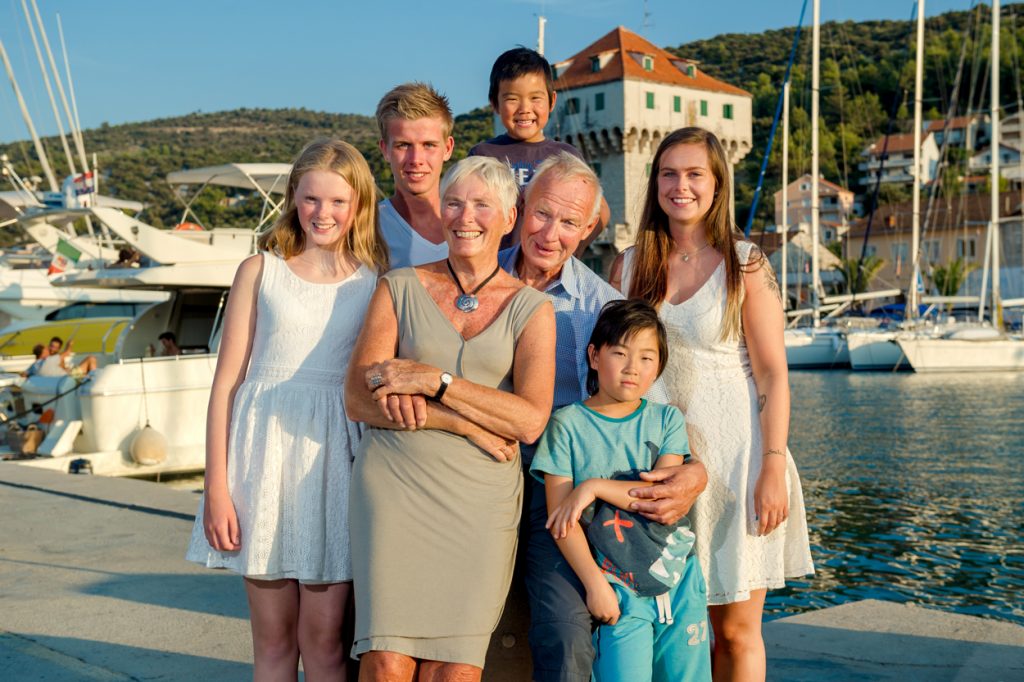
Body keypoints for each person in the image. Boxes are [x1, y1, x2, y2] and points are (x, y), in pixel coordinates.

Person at [611, 127, 814, 682]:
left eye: (695, 173)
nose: (681, 186)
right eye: (669, 173)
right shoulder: (628, 267)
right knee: (673, 626)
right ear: (654, 183)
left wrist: (772, 464)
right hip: (657, 468)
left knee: (734, 631)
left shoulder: (744, 263)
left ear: (718, 182)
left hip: (738, 462)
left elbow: (773, 371)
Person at [345, 155, 556, 681]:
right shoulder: (398, 286)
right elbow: (358, 397)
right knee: (386, 662)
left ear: (510, 216)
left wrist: (434, 381)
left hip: (481, 501)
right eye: (455, 202)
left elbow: (529, 421)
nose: (466, 216)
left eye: (483, 204)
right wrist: (462, 421)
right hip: (394, 489)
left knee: (454, 671)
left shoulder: (532, 309)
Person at [500, 151, 708, 682]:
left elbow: (649, 410)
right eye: (542, 213)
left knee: (567, 636)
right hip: (483, 479)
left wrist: (694, 471)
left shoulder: (602, 308)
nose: (550, 232)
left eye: (569, 222)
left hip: (558, 491)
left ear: (590, 228)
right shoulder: (477, 282)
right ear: (521, 207)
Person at [185, 138, 388, 680]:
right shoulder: (260, 270)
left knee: (324, 645)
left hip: (332, 468)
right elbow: (226, 382)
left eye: (338, 202)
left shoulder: (373, 284)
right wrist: (217, 489)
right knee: (272, 644)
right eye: (311, 199)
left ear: (359, 206)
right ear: (293, 199)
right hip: (259, 467)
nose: (323, 213)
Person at [532, 299, 711, 682]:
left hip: (680, 579)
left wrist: (594, 488)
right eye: (620, 353)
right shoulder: (566, 426)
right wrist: (596, 586)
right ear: (595, 356)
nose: (633, 368)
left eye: (647, 358)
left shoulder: (666, 420)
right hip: (618, 587)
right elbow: (562, 521)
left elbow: (658, 496)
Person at [470, 47, 609, 252]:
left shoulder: (566, 156)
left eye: (535, 98)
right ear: (495, 104)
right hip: (496, 271)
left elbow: (601, 212)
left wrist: (571, 253)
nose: (524, 108)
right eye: (512, 99)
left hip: (545, 274)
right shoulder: (483, 155)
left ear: (552, 101)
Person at [375, 82, 455, 268]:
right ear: (385, 150)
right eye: (403, 145)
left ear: (448, 148)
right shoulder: (367, 229)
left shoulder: (473, 224)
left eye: (429, 145)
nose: (416, 159)